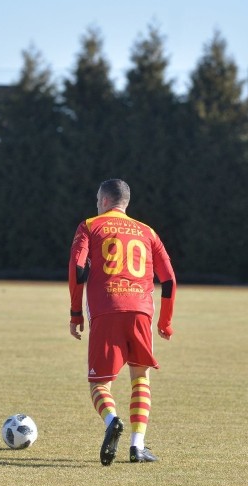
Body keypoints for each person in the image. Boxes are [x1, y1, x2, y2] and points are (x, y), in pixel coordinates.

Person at [68, 179, 176, 466]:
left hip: (106, 310)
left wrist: (75, 312)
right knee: (140, 377)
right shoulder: (147, 231)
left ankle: (112, 420)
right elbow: (169, 280)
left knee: (99, 384)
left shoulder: (89, 226)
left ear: (104, 201)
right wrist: (165, 322)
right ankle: (137, 446)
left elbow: (77, 268)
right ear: (125, 203)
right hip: (141, 310)